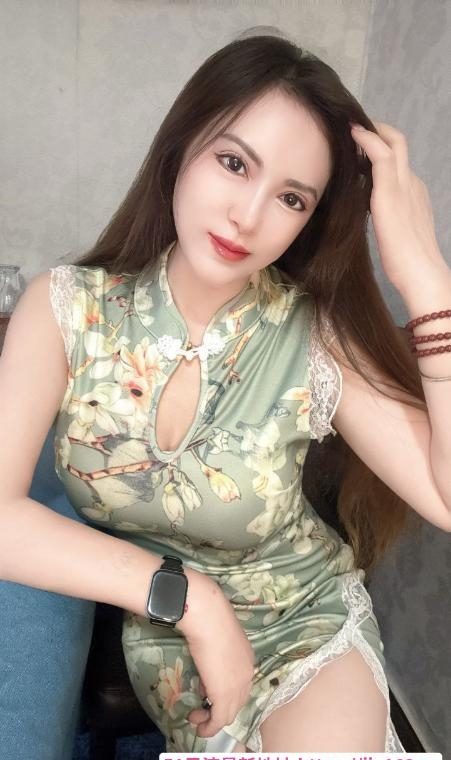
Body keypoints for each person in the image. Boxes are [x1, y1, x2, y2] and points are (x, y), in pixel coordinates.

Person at [1, 29, 450, 754]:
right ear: (181, 146)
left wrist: (425, 276)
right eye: (234, 162)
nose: (248, 216)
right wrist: (191, 601)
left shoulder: (313, 335)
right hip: (174, 644)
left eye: (291, 198)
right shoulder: (64, 310)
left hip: (305, 623)